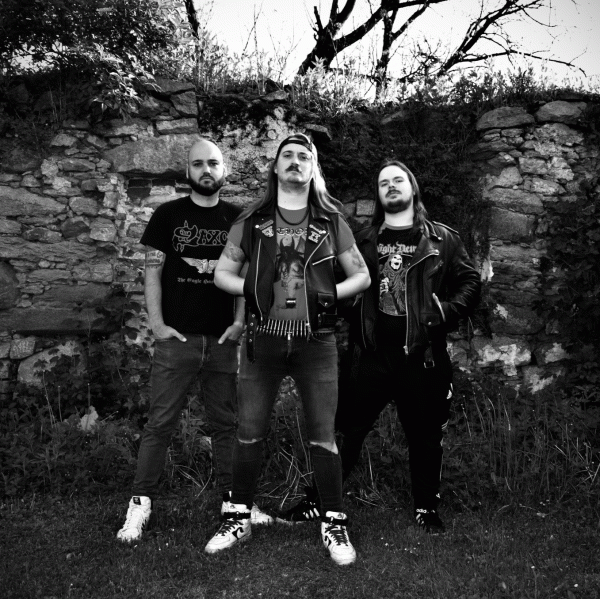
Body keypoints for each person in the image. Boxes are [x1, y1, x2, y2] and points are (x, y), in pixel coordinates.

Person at [279, 159, 481, 534]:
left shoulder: (443, 239)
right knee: (345, 432)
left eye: (398, 180)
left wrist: (448, 311)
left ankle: (426, 507)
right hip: (369, 355)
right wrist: (341, 306)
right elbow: (334, 281)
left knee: (425, 436)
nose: (390, 186)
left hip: (423, 356)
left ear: (413, 188)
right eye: (383, 182)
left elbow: (470, 282)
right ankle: (319, 501)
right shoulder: (363, 240)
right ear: (378, 194)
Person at [204, 133, 370, 565]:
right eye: (288, 156)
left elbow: (362, 276)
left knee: (323, 435)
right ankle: (238, 516)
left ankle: (333, 520)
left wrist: (328, 295)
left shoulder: (331, 221)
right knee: (249, 430)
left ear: (313, 169)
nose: (295, 162)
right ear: (276, 167)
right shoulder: (252, 219)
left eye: (304, 157)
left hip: (317, 341)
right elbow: (222, 274)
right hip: (264, 338)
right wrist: (253, 289)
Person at [117, 139, 272, 543]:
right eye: (198, 164)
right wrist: (157, 324)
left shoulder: (238, 218)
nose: (206, 170)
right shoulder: (167, 215)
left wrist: (239, 321)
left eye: (213, 163)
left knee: (227, 424)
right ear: (187, 171)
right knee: (160, 424)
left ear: (225, 170)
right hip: (177, 340)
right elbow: (152, 272)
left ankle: (236, 504)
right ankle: (140, 506)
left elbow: (245, 276)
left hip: (222, 340)